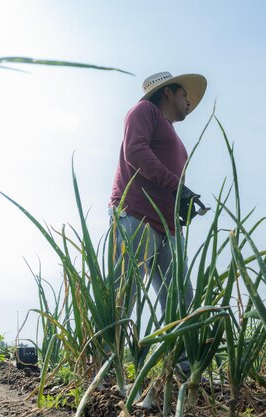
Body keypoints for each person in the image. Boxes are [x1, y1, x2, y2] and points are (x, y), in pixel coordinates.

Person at [108, 72, 208, 372]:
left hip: (167, 227)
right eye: (184, 95)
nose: (189, 101)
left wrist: (180, 205)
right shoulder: (144, 111)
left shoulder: (174, 136)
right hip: (136, 215)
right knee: (124, 294)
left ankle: (183, 370)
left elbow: (168, 178)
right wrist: (177, 188)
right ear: (167, 92)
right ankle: (107, 367)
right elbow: (135, 151)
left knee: (180, 298)